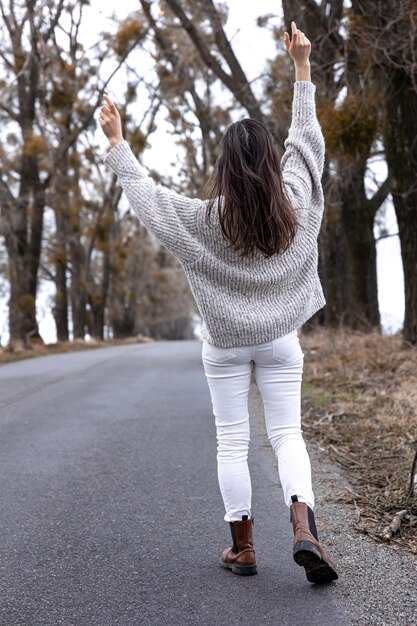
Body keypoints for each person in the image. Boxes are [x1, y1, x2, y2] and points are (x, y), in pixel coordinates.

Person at [99, 21, 338, 585]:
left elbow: (150, 200)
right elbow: (307, 145)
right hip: (282, 339)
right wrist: (302, 69)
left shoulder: (205, 222)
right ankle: (304, 529)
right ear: (272, 164)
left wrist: (117, 144)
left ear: (224, 167)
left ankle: (244, 547)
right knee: (287, 435)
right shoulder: (295, 205)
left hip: (226, 346)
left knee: (233, 439)